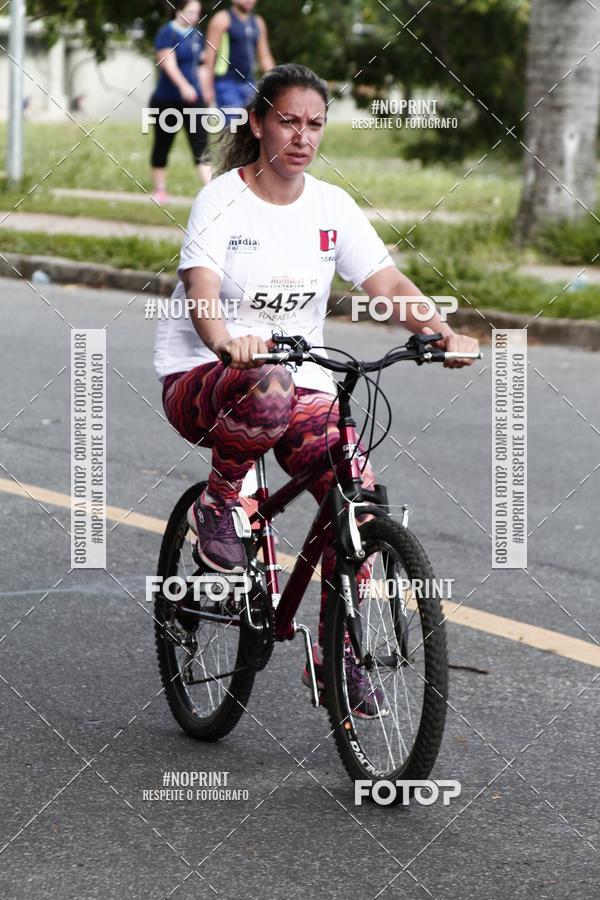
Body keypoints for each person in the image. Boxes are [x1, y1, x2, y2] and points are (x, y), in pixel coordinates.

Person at [154, 64, 479, 717]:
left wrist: (441, 331)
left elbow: (385, 284)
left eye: (314, 124)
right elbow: (202, 291)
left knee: (353, 490)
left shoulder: (331, 207)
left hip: (297, 380)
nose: (301, 136)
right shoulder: (221, 199)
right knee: (267, 382)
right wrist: (225, 343)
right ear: (258, 122)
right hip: (205, 379)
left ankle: (338, 660)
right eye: (288, 120)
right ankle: (221, 504)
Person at [149, 0, 212, 203]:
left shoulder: (196, 34)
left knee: (201, 145)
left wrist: (205, 92)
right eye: (191, 12)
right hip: (167, 101)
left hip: (194, 101)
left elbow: (201, 65)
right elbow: (169, 63)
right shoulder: (167, 33)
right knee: (163, 144)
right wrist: (184, 86)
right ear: (179, 10)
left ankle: (211, 191)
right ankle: (160, 190)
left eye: (197, 13)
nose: (194, 16)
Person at [203, 1, 274, 116]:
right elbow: (210, 54)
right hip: (226, 83)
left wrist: (277, 82)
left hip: (250, 83)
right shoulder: (222, 19)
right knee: (233, 125)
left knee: (250, 126)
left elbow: (265, 57)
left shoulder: (258, 22)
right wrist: (207, 87)